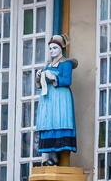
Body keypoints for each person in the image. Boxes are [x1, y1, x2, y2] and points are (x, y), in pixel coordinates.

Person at [34, 35, 77, 163]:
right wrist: (39, 77)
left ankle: (57, 155)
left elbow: (67, 80)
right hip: (49, 98)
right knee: (49, 122)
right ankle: (50, 155)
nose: (52, 50)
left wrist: (53, 77)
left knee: (59, 120)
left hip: (61, 97)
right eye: (50, 48)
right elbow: (40, 85)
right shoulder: (47, 65)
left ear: (61, 48)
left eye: (55, 48)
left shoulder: (66, 64)